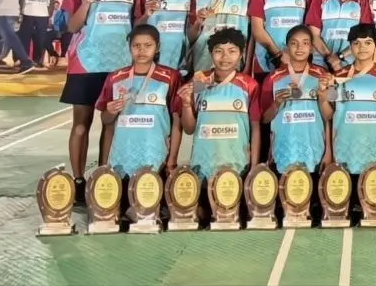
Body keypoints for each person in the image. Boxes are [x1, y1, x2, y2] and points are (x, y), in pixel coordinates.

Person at [59, 0, 141, 202]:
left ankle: (105, 177)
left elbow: (137, 24)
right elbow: (72, 26)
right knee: (81, 124)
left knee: (112, 123)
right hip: (86, 62)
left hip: (119, 65)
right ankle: (78, 180)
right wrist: (86, 1)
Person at [175, 27, 261, 220]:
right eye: (219, 51)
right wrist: (186, 103)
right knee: (201, 214)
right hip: (203, 164)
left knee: (234, 215)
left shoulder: (249, 85)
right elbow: (189, 128)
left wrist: (254, 165)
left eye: (232, 51)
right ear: (211, 53)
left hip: (237, 164)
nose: (225, 57)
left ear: (241, 54)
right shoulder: (199, 82)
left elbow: (255, 128)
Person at [319, 23, 376, 206]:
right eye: (356, 43)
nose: (362, 47)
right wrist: (323, 98)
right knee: (344, 209)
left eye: (367, 43)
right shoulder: (337, 78)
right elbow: (328, 115)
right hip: (344, 155)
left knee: (375, 211)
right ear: (350, 47)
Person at [96, 25, 181, 190]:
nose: (142, 50)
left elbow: (177, 121)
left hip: (156, 156)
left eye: (148, 45)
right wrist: (110, 112)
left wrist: (172, 161)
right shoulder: (115, 78)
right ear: (129, 47)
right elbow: (106, 121)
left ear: (158, 47)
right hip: (122, 157)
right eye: (136, 45)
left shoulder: (171, 77)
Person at [260, 26, 331, 178]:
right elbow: (264, 119)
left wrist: (323, 97)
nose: (299, 48)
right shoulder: (272, 78)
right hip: (284, 153)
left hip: (315, 153)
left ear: (311, 48)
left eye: (305, 43)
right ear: (286, 48)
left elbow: (330, 116)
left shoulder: (324, 76)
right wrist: (277, 103)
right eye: (294, 43)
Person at [305, 0, 373, 71]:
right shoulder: (319, 0)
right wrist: (330, 58)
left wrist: (340, 57)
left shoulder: (361, 2)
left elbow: (364, 37)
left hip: (351, 66)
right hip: (321, 66)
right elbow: (313, 34)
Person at [18, 0, 55, 68]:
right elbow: (51, 1)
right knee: (40, 38)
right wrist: (49, 14)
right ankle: (37, 60)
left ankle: (24, 60)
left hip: (28, 11)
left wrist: (20, 10)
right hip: (43, 13)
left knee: (25, 37)